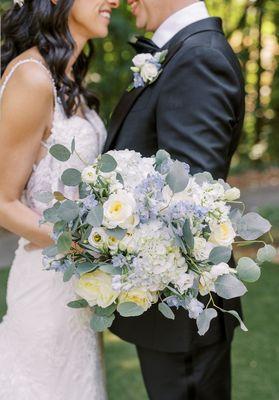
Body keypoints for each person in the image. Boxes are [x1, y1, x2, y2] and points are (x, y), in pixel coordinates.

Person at [105, 0, 245, 399]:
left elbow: (190, 203)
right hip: (169, 311)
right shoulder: (185, 51)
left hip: (183, 312)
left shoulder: (199, 58)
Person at [0, 0, 119, 398]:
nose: (114, 1)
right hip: (47, 288)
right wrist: (84, 248)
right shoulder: (31, 78)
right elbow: (2, 200)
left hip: (81, 292)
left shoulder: (65, 78)